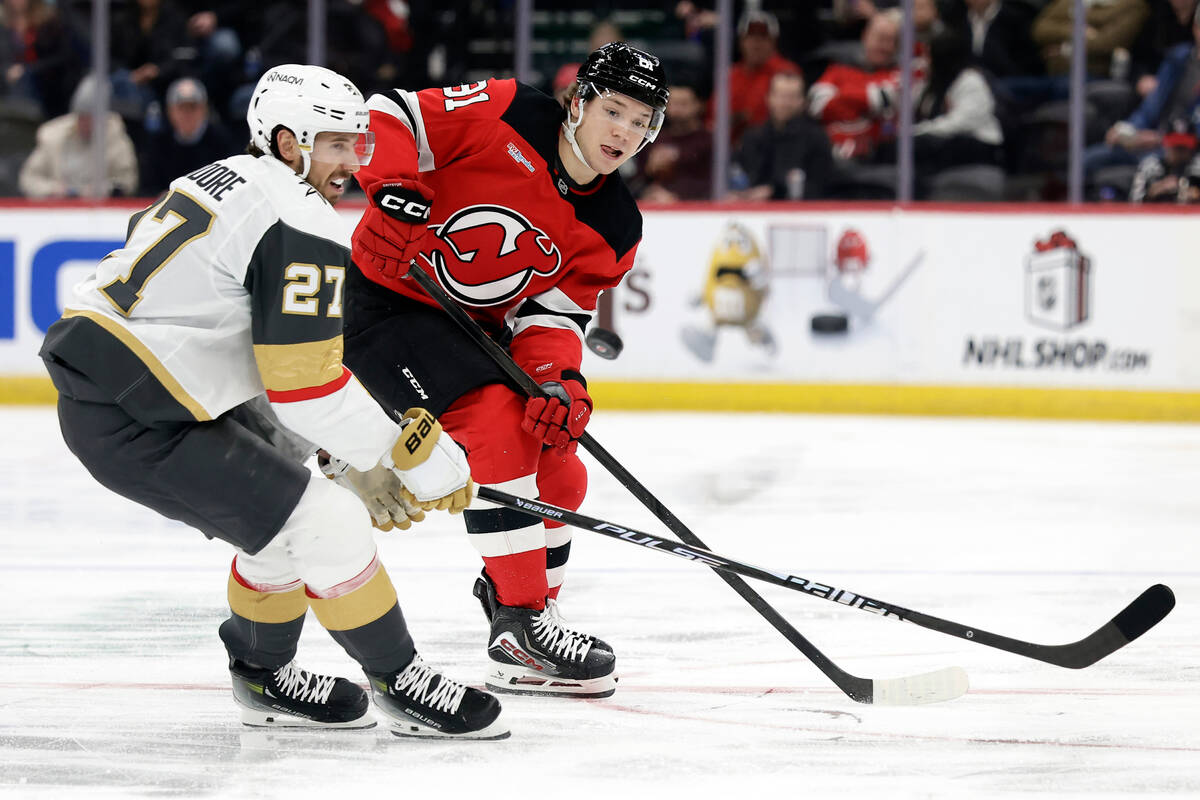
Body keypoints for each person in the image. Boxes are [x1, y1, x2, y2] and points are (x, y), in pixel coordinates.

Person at [37, 64, 507, 740]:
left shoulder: (221, 175)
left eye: (357, 144)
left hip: (132, 390)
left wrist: (343, 458)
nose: (353, 163)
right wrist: (418, 460)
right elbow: (304, 386)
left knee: (285, 520)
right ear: (288, 142)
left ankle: (262, 674)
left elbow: (250, 348)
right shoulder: (300, 216)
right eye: (336, 145)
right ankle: (400, 680)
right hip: (142, 411)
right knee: (328, 523)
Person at [341, 42, 670, 699]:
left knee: (558, 458)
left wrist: (559, 381)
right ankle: (522, 624)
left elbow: (552, 319)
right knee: (497, 424)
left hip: (474, 330)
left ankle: (524, 610)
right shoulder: (509, 110)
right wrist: (395, 192)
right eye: (615, 111)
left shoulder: (614, 223)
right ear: (578, 103)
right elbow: (390, 113)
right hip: (387, 306)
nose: (625, 133)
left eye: (642, 122)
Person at [19, 73, 138, 198]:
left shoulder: (116, 140)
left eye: (92, 118)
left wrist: (102, 190)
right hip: (57, 210)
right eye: (82, 117)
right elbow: (28, 178)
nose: (86, 123)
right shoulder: (53, 136)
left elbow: (127, 182)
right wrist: (52, 190)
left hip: (101, 212)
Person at [808, 9, 902, 162]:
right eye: (879, 38)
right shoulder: (838, 69)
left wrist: (840, 96)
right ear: (865, 36)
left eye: (889, 40)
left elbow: (883, 99)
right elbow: (816, 105)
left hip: (874, 158)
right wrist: (864, 103)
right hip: (828, 156)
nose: (883, 47)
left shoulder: (898, 76)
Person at [731, 71, 833, 201]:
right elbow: (738, 174)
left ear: (802, 101)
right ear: (768, 98)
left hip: (799, 214)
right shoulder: (753, 137)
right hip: (753, 213)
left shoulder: (816, 139)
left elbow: (821, 187)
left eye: (792, 97)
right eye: (780, 96)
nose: (785, 103)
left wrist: (774, 193)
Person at [139, 77, 234, 196]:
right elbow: (147, 187)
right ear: (170, 111)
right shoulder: (157, 142)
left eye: (193, 107)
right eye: (181, 108)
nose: (187, 114)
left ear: (204, 109)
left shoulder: (222, 141)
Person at [636, 81, 713, 203]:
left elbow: (718, 184)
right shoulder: (653, 138)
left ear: (699, 105)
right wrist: (649, 171)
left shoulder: (710, 141)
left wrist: (677, 196)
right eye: (672, 104)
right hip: (655, 206)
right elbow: (637, 180)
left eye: (683, 104)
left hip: (696, 209)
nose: (676, 110)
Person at [1129, 117, 1200, 202]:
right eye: (1175, 147)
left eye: (1184, 147)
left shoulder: (1197, 169)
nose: (1179, 151)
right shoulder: (1150, 168)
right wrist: (1152, 193)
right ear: (1166, 144)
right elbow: (1133, 202)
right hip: (1155, 214)